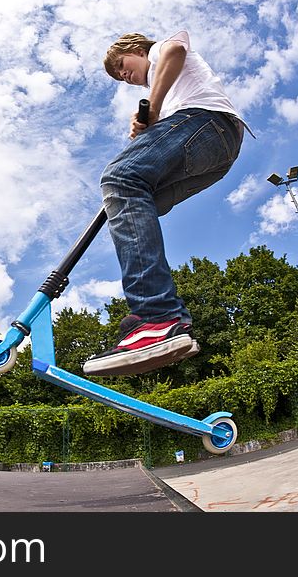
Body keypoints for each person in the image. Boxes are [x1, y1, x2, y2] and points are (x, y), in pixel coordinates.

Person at [83, 30, 250, 377]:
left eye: (122, 66)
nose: (124, 76)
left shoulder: (159, 51)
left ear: (136, 49)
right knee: (137, 202)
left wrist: (153, 109)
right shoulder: (167, 87)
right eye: (119, 77)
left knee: (119, 179)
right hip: (218, 152)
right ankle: (168, 326)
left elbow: (175, 49)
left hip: (206, 122)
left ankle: (155, 315)